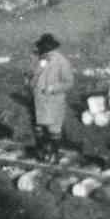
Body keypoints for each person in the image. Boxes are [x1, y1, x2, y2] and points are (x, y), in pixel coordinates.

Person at [28, 32, 73, 162]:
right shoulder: (38, 60)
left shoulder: (62, 62)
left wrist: (53, 88)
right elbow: (31, 77)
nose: (43, 51)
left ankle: (54, 154)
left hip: (53, 101)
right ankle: (42, 151)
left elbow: (69, 82)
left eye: (45, 48)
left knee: (54, 129)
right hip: (38, 101)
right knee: (39, 128)